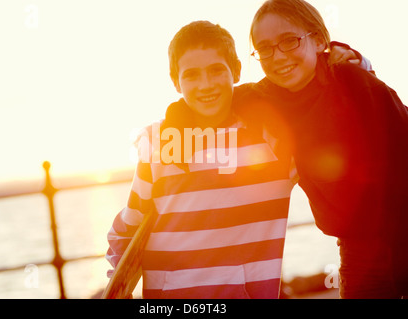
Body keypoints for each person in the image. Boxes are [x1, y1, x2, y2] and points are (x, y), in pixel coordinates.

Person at [106, 20, 297, 299]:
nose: (205, 84)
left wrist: (352, 62)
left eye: (216, 70)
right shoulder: (159, 144)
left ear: (236, 71)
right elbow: (125, 231)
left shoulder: (272, 140)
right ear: (176, 82)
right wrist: (118, 286)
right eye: (192, 75)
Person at [243, 0, 408, 298]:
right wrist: (178, 113)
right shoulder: (267, 98)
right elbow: (223, 99)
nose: (277, 56)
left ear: (319, 40)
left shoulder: (354, 81)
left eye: (289, 41)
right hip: (357, 248)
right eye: (264, 48)